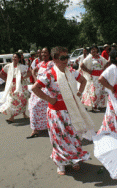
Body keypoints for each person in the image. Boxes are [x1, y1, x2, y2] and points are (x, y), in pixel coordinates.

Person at [32, 46, 93, 175]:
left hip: (71, 111)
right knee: (59, 138)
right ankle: (61, 164)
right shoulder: (49, 74)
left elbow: (83, 80)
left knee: (73, 136)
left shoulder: (71, 71)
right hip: (56, 113)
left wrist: (79, 93)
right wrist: (49, 98)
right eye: (62, 57)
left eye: (67, 57)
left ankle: (74, 160)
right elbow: (35, 88)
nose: (66, 60)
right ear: (54, 59)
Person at [29, 47, 54, 137]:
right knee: (33, 108)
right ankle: (35, 129)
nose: (43, 54)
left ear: (49, 54)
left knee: (46, 110)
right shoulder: (40, 64)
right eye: (42, 53)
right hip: (38, 89)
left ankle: (49, 126)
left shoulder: (51, 64)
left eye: (45, 52)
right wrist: (36, 80)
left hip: (47, 90)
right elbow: (33, 70)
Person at [0, 53, 31, 123]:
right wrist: (7, 80)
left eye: (16, 57)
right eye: (13, 57)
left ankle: (24, 114)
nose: (14, 58)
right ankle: (12, 117)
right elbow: (1, 73)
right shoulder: (8, 66)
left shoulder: (22, 67)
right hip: (12, 86)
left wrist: (23, 77)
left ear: (19, 59)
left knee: (23, 100)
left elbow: (30, 72)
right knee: (12, 101)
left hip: (21, 85)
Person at [80, 45, 108, 112]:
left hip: (100, 77)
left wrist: (104, 69)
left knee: (101, 91)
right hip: (93, 78)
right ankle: (94, 106)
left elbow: (107, 63)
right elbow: (81, 65)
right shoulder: (89, 58)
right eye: (92, 50)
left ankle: (100, 105)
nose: (94, 51)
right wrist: (88, 71)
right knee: (95, 92)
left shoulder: (100, 57)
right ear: (90, 51)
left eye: (95, 49)